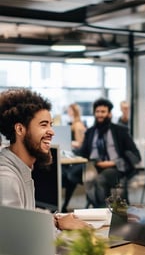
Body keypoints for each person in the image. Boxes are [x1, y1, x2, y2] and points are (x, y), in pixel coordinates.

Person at [0, 88, 89, 230]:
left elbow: (25, 217)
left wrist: (55, 221)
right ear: (20, 129)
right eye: (43, 125)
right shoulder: (6, 178)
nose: (52, 132)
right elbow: (15, 236)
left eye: (50, 124)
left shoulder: (21, 167)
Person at [78, 97, 141, 207]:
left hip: (115, 167)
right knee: (85, 177)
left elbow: (136, 155)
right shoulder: (90, 132)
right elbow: (82, 152)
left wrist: (113, 163)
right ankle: (97, 208)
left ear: (109, 114)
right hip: (94, 165)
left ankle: (103, 210)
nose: (100, 114)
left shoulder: (120, 131)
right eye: (97, 111)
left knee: (101, 179)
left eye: (103, 112)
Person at [60, 103, 87, 212]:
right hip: (70, 156)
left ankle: (64, 205)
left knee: (68, 177)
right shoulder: (73, 124)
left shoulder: (78, 125)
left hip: (76, 158)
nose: (68, 112)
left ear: (74, 111)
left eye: (70, 110)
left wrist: (68, 142)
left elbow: (81, 143)